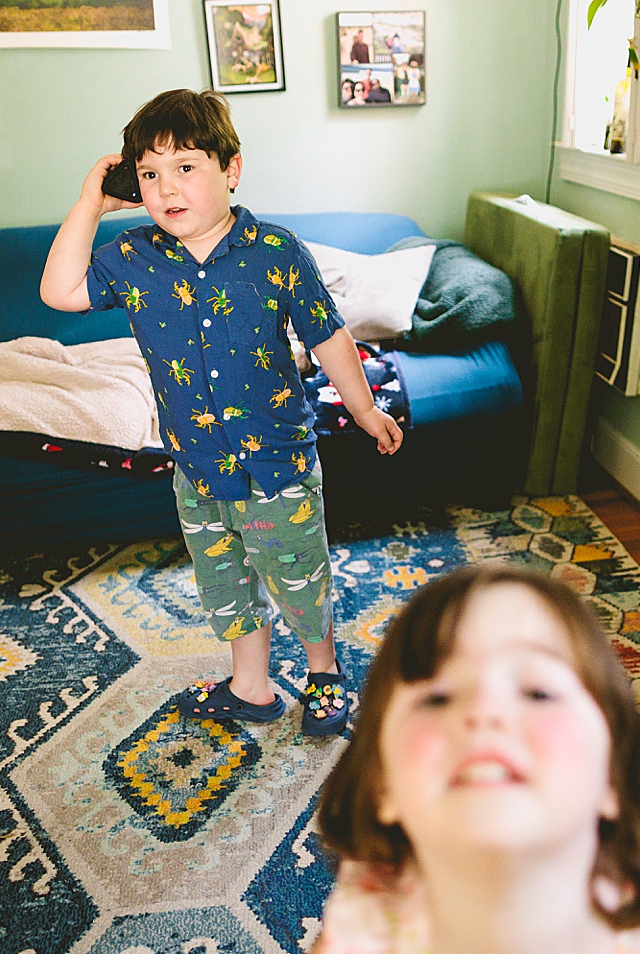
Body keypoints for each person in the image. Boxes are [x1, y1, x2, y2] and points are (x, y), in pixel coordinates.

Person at [39, 89, 403, 737]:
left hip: (277, 465)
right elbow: (59, 291)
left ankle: (323, 672)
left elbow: (328, 337)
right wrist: (91, 204)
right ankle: (252, 686)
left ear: (230, 171)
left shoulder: (276, 252)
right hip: (197, 466)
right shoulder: (133, 258)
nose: (165, 187)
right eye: (149, 174)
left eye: (186, 167)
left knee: (297, 577)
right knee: (225, 584)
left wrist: (366, 411)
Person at [312, 564, 640, 953]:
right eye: (437, 698)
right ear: (381, 785)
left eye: (538, 691)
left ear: (611, 777)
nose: (484, 712)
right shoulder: (365, 919)